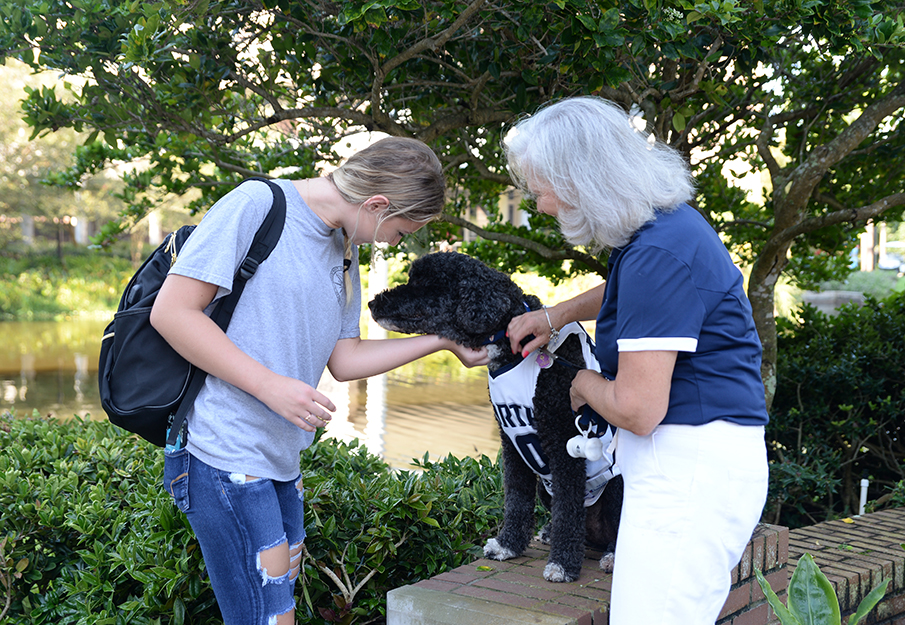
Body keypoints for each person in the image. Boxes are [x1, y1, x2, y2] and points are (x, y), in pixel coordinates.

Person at [149, 136, 488, 625]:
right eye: (400, 229)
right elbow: (173, 313)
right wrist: (269, 385)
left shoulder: (342, 249)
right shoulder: (256, 206)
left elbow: (343, 359)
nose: (397, 242)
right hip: (224, 454)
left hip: (282, 461)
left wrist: (444, 341)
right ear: (376, 204)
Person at [504, 97, 769, 625]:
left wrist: (577, 381)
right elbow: (630, 292)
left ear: (580, 180)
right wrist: (556, 315)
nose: (542, 206)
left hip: (688, 469)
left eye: (541, 191)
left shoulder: (655, 252)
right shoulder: (664, 229)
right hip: (698, 458)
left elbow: (639, 408)